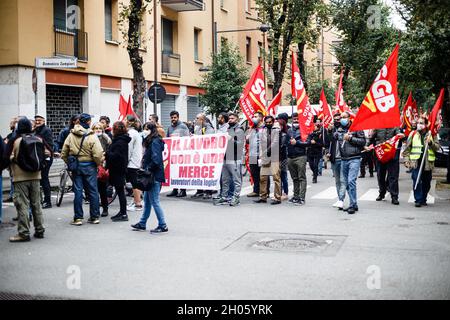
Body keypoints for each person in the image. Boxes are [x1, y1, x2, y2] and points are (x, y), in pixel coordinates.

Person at [7, 117, 48, 242]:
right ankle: (40, 230)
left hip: (20, 178)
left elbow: (8, 157)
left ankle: (24, 233)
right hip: (36, 176)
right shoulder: (38, 139)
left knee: (22, 205)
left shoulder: (16, 140)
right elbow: (46, 153)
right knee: (37, 204)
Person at [61, 113, 104, 226]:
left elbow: (64, 152)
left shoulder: (71, 135)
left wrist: (69, 163)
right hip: (90, 165)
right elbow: (98, 153)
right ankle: (94, 217)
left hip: (76, 166)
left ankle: (78, 218)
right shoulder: (92, 135)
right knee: (93, 191)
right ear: (89, 122)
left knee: (78, 191)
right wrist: (98, 163)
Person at [131, 123, 168, 233]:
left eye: (146, 129)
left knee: (154, 201)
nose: (144, 131)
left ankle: (162, 225)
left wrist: (147, 169)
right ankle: (142, 223)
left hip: (153, 176)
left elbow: (156, 160)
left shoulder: (154, 141)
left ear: (151, 130)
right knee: (147, 201)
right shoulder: (153, 141)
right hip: (152, 175)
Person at [402, 116, 440, 207]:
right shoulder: (413, 134)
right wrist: (407, 160)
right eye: (418, 123)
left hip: (427, 163)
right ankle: (418, 199)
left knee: (427, 182)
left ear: (426, 124)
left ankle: (423, 198)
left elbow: (437, 147)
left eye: (421, 123)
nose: (419, 125)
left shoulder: (432, 134)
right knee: (416, 179)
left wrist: (430, 143)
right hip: (416, 162)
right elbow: (407, 149)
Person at [335, 111, 366, 214]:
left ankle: (352, 205)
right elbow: (332, 138)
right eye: (341, 118)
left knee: (351, 181)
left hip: (354, 158)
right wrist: (331, 130)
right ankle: (354, 203)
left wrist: (351, 138)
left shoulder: (356, 127)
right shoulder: (339, 129)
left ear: (349, 118)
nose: (342, 119)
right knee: (347, 183)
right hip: (344, 159)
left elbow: (362, 141)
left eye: (344, 117)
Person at [214, 113, 244, 206]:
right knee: (225, 179)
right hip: (225, 157)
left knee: (236, 179)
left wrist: (231, 139)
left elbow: (239, 144)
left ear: (237, 119)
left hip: (234, 158)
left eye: (232, 118)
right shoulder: (228, 129)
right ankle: (224, 196)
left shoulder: (239, 130)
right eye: (229, 118)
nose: (230, 120)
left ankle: (236, 197)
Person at [370, 127, 404, 205]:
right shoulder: (378, 126)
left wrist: (402, 136)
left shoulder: (395, 126)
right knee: (380, 175)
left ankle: (394, 196)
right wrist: (368, 144)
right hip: (380, 154)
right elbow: (371, 139)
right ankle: (382, 192)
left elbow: (399, 136)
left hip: (392, 154)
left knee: (393, 176)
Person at [106, 121, 132, 221]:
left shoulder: (119, 142)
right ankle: (122, 212)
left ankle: (123, 214)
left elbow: (117, 157)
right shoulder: (121, 140)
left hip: (118, 170)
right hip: (119, 169)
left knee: (120, 192)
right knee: (120, 191)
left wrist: (108, 153)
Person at [254, 115, 282, 205]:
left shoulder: (277, 130)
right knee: (262, 177)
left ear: (273, 122)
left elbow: (275, 142)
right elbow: (261, 143)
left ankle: (277, 198)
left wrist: (267, 151)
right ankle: (263, 197)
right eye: (266, 122)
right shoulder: (263, 131)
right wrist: (261, 155)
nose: (268, 124)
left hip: (274, 157)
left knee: (276, 178)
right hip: (265, 157)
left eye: (270, 122)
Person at [166, 111, 190, 198]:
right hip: (173, 153)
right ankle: (175, 189)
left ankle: (183, 190)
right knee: (174, 171)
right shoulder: (169, 127)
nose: (173, 119)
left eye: (175, 117)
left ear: (178, 117)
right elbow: (168, 138)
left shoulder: (183, 126)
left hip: (181, 153)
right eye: (172, 117)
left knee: (181, 172)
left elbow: (187, 139)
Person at [191, 113, 215, 199]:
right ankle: (199, 191)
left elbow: (208, 140)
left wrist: (196, 138)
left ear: (202, 120)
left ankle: (208, 192)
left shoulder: (210, 129)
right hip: (199, 155)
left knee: (207, 174)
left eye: (197, 118)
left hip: (207, 155)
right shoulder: (198, 128)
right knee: (198, 173)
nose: (195, 120)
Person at [287, 112, 309, 205]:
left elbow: (308, 143)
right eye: (294, 118)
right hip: (290, 157)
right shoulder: (289, 130)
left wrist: (297, 143)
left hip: (300, 156)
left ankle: (302, 197)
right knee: (294, 178)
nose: (295, 120)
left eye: (297, 118)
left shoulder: (304, 130)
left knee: (301, 177)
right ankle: (295, 196)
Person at [124, 115, 144, 211]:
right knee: (135, 182)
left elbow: (129, 149)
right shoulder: (135, 133)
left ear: (128, 122)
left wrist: (126, 160)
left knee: (134, 183)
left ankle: (138, 203)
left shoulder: (131, 133)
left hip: (132, 162)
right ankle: (137, 201)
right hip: (136, 160)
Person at [34, 115, 54, 209]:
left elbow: (49, 144)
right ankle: (43, 200)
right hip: (39, 158)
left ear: (44, 121)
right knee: (41, 179)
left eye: (39, 120)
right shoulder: (36, 130)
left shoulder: (46, 130)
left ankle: (48, 201)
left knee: (44, 178)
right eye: (36, 120)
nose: (37, 122)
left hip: (46, 158)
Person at [92, 122, 112, 217]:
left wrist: (104, 156)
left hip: (103, 165)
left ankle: (105, 208)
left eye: (99, 128)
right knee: (93, 190)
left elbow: (109, 149)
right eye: (96, 128)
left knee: (102, 189)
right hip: (92, 165)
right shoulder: (90, 138)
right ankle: (95, 210)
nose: (98, 130)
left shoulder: (105, 138)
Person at [327, 112, 346, 209]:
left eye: (338, 119)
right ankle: (340, 199)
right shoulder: (332, 129)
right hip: (334, 159)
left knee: (343, 180)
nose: (337, 121)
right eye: (335, 120)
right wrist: (329, 131)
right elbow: (329, 141)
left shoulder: (346, 129)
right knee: (338, 181)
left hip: (344, 159)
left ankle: (341, 199)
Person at [246, 111, 265, 197]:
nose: (253, 118)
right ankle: (256, 190)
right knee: (254, 174)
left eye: (256, 116)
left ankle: (264, 191)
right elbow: (247, 141)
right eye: (253, 116)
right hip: (252, 154)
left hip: (261, 155)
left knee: (263, 174)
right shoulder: (252, 129)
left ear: (260, 118)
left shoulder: (264, 128)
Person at [4, 117, 18, 203]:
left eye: (11, 122)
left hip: (13, 160)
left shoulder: (14, 135)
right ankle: (12, 194)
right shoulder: (12, 134)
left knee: (13, 179)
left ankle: (13, 195)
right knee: (12, 178)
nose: (10, 124)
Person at [277, 118, 289, 200]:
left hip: (283, 158)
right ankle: (279, 192)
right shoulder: (275, 134)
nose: (278, 127)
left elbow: (281, 146)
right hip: (276, 157)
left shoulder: (284, 135)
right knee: (277, 176)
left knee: (283, 175)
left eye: (280, 125)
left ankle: (285, 193)